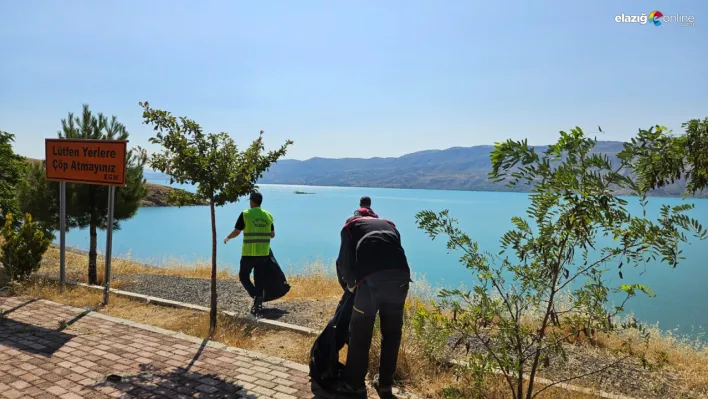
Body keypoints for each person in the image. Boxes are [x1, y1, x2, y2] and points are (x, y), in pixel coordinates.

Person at [335, 203, 411, 399]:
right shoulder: (390, 226)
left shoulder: (350, 227)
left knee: (360, 334)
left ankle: (355, 385)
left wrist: (350, 288)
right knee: (392, 334)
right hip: (400, 280)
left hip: (370, 284)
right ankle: (385, 384)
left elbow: (344, 263)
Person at [223, 192, 275, 317]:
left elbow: (237, 231)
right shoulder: (268, 216)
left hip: (249, 253)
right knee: (259, 278)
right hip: (263, 253)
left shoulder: (246, 214)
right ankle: (258, 301)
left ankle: (256, 296)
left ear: (252, 201)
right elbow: (272, 234)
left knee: (243, 276)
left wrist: (227, 238)